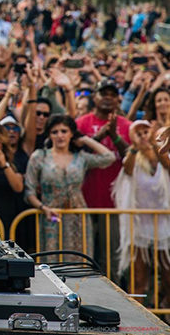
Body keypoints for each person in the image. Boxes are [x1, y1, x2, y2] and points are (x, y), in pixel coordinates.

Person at [25, 115, 114, 260]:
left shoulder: (81, 157)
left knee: (79, 262)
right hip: (51, 217)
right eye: (55, 132)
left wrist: (85, 139)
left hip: (78, 216)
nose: (60, 135)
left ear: (71, 133)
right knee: (52, 261)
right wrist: (43, 207)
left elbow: (109, 157)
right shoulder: (39, 157)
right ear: (49, 135)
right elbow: (29, 190)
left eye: (64, 131)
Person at [75, 79, 131, 278]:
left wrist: (115, 136)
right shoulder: (81, 123)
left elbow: (131, 157)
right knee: (84, 257)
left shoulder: (127, 125)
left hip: (114, 205)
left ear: (118, 99)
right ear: (95, 97)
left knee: (112, 259)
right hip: (83, 203)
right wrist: (99, 136)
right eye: (103, 93)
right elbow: (74, 153)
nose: (108, 97)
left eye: (112, 94)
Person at [112, 120, 170, 305]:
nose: (144, 135)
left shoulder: (163, 156)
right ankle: (137, 317)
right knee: (139, 278)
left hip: (163, 224)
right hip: (139, 225)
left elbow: (168, 166)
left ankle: (164, 310)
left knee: (169, 276)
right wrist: (135, 148)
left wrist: (154, 143)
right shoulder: (132, 157)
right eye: (139, 133)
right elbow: (127, 169)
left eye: (146, 131)